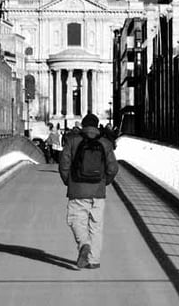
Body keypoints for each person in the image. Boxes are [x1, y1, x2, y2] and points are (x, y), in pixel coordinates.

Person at [59, 113, 119, 270]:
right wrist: (105, 182)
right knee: (96, 226)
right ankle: (94, 260)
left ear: (83, 126)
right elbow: (113, 168)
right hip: (98, 191)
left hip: (77, 189)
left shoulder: (72, 141)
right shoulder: (105, 143)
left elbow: (64, 164)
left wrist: (69, 182)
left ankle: (84, 244)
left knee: (75, 220)